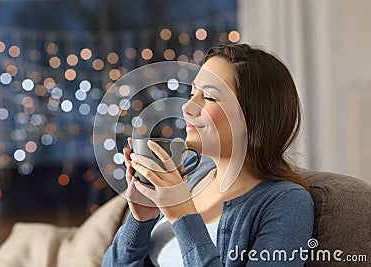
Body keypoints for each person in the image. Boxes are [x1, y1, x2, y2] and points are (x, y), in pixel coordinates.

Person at [102, 44, 314, 266]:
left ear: (254, 116)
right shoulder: (190, 170)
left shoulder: (287, 202)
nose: (188, 107)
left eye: (210, 97)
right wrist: (141, 219)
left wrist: (183, 215)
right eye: (193, 93)